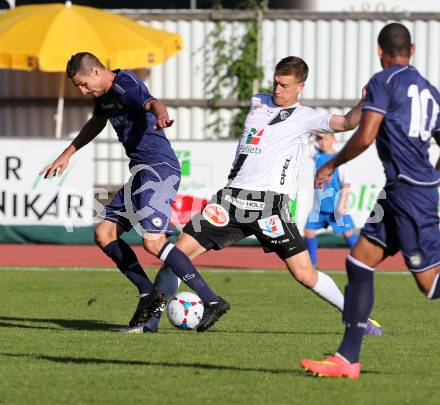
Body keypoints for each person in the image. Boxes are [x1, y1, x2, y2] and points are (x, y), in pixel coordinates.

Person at [129, 56, 383, 335]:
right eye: (275, 83)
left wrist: (365, 103)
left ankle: (357, 318)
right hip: (229, 201)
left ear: (300, 87)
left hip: (269, 207)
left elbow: (347, 122)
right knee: (175, 257)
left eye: (285, 86)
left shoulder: (306, 117)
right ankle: (148, 325)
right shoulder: (258, 102)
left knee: (304, 274)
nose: (278, 90)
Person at [39, 52, 226, 331]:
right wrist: (66, 154)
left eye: (81, 83)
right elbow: (96, 122)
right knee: (104, 233)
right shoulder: (101, 96)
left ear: (95, 72)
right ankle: (147, 293)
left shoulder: (124, 83)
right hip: (140, 172)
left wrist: (161, 115)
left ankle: (211, 300)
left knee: (153, 242)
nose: (81, 90)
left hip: (158, 169)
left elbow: (152, 102)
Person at [300, 22, 440, 379]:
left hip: (410, 193)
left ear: (380, 51)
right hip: (400, 191)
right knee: (359, 262)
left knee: (429, 284)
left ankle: (348, 358)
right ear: (413, 49)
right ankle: (347, 359)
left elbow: (365, 135)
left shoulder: (384, 81)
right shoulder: (430, 90)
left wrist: (332, 163)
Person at [304, 132, 358, 269]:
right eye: (319, 139)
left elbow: (346, 184)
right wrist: (314, 131)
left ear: (333, 139)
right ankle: (313, 263)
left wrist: (342, 204)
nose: (322, 142)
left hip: (336, 207)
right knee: (308, 231)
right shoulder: (317, 155)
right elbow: (305, 142)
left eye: (325, 138)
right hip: (319, 207)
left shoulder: (340, 159)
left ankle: (362, 260)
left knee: (348, 233)